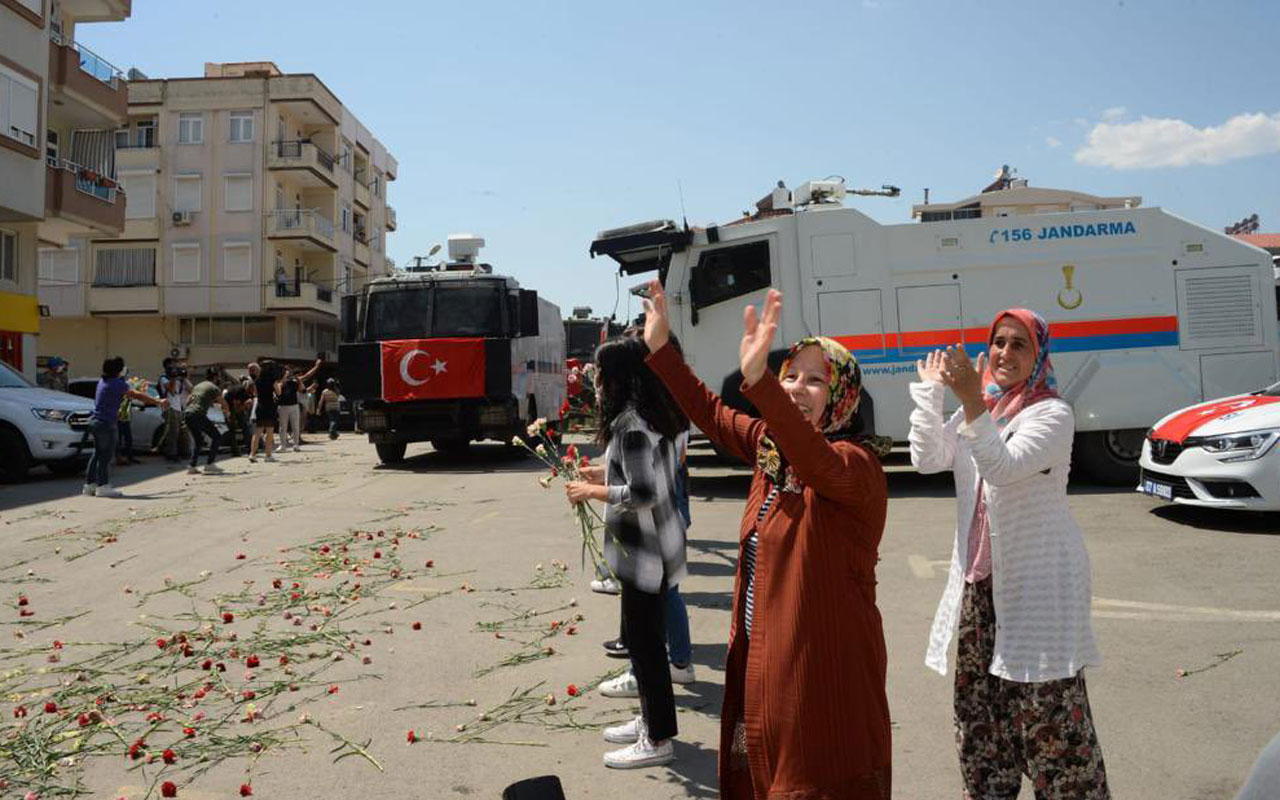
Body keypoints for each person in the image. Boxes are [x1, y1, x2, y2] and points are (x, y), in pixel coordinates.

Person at [642, 280, 893, 798]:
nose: (798, 388)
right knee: (761, 775)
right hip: (762, 659)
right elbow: (711, 413)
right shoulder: (770, 451)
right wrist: (662, 349)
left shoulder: (855, 467)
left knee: (812, 779)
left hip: (821, 670)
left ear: (844, 395)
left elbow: (815, 459)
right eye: (790, 376)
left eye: (815, 381)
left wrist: (762, 385)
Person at [908, 308, 1109, 799]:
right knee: (982, 719)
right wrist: (934, 393)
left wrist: (972, 400)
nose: (1005, 353)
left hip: (1039, 590)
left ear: (1038, 355)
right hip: (980, 590)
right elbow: (927, 458)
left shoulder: (1052, 414)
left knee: (1049, 719)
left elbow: (1001, 466)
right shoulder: (985, 407)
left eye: (1020, 344)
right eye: (998, 342)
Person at [563, 335, 687, 770]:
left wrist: (592, 489)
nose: (594, 382)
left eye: (599, 373)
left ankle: (657, 738)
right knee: (645, 641)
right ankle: (651, 720)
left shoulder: (630, 424)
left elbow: (644, 491)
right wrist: (603, 470)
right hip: (660, 546)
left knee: (646, 646)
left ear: (617, 377)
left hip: (644, 552)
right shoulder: (657, 414)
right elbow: (652, 472)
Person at [84, 357, 164, 498]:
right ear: (118, 370)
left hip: (96, 422)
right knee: (105, 457)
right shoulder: (117, 383)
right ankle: (103, 486)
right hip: (106, 424)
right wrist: (157, 401)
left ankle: (90, 486)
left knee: (97, 454)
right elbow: (136, 395)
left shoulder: (103, 381)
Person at [184, 367, 231, 475]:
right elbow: (224, 403)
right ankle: (210, 464)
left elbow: (188, 401)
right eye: (218, 377)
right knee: (216, 436)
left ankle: (192, 466)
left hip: (188, 414)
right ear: (215, 377)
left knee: (199, 440)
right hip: (198, 414)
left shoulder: (198, 386)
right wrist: (227, 414)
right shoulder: (213, 387)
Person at [277, 358, 322, 452]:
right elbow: (278, 391)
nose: (287, 372)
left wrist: (316, 366)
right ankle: (282, 446)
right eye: (286, 371)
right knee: (282, 426)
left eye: (289, 370)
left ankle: (296, 445)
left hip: (294, 405)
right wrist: (283, 380)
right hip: (282, 406)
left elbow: (306, 378)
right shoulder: (280, 381)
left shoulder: (296, 380)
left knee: (295, 426)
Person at [157, 361, 191, 462]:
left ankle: (184, 452)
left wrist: (184, 377)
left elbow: (191, 388)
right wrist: (173, 378)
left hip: (178, 408)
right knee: (173, 433)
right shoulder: (163, 379)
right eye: (171, 367)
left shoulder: (178, 379)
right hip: (169, 408)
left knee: (183, 432)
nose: (174, 369)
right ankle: (171, 454)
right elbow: (171, 390)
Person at [248, 361, 279, 462]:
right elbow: (278, 392)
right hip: (270, 407)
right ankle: (268, 455)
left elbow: (256, 394)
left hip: (260, 407)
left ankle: (252, 454)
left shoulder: (257, 380)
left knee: (257, 432)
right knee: (269, 432)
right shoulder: (272, 380)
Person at [222, 379, 253, 457]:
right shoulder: (242, 390)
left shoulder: (241, 390)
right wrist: (240, 409)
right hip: (230, 407)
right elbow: (243, 403)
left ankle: (237, 450)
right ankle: (247, 449)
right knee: (242, 427)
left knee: (235, 429)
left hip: (230, 406)